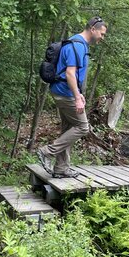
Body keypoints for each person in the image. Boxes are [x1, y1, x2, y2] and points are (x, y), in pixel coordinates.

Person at [36, 16, 108, 178]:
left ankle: (61, 168)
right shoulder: (78, 46)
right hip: (65, 93)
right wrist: (77, 97)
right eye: (102, 34)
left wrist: (79, 94)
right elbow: (70, 73)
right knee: (83, 127)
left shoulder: (74, 42)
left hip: (62, 91)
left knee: (68, 129)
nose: (102, 38)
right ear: (92, 29)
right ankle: (47, 152)